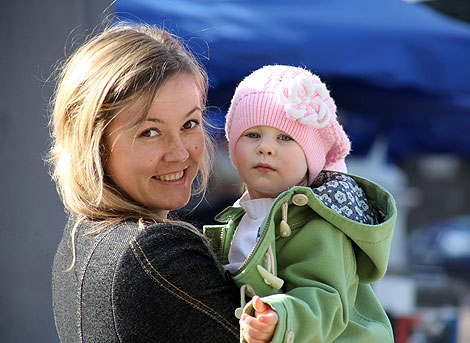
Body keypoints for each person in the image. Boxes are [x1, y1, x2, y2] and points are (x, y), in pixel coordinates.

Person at [48, 23, 241, 342]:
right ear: (94, 144)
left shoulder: (80, 236)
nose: (179, 152)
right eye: (149, 132)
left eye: (189, 123)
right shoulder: (156, 252)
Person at [204, 65, 397, 343]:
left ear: (311, 158)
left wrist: (280, 318)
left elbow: (325, 299)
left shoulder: (318, 222)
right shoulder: (236, 219)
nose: (266, 148)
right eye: (252, 135)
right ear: (232, 146)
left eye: (285, 138)